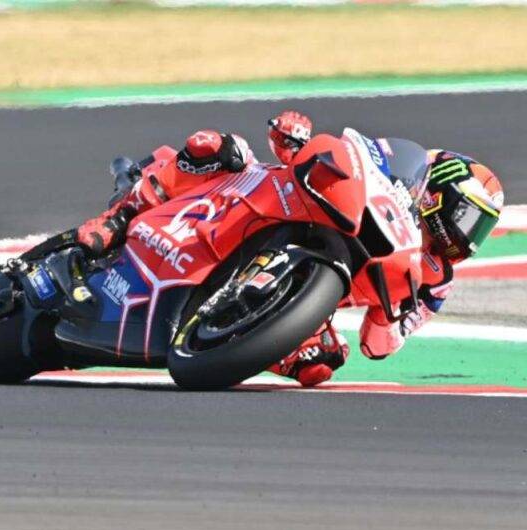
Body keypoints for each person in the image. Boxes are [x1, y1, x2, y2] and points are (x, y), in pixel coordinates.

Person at [75, 111, 505, 386]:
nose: (470, 238)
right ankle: (119, 217)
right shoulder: (398, 174)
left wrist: (394, 317)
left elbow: (379, 346)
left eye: (480, 229)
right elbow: (348, 159)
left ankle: (239, 339)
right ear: (438, 195)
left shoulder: (434, 282)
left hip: (304, 289)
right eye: (470, 219)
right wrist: (295, 141)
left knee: (323, 361)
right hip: (253, 203)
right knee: (216, 146)